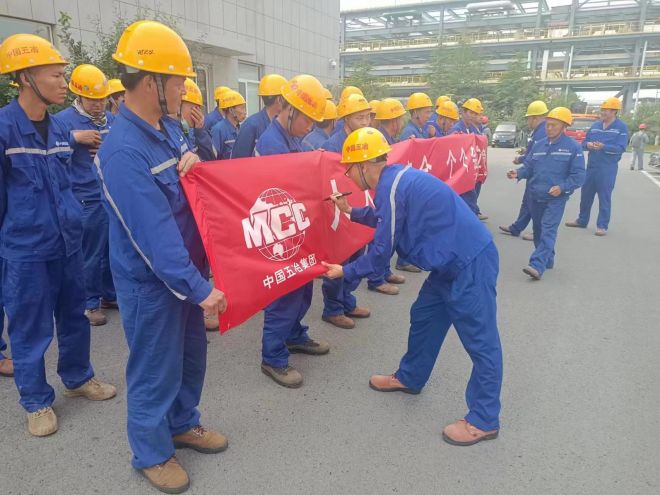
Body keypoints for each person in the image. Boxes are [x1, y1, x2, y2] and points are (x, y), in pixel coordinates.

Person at [96, 21, 228, 494]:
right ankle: (151, 452)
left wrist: (197, 168)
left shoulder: (170, 129)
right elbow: (152, 235)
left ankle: (182, 423)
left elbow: (192, 192)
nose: (183, 90)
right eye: (177, 82)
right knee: (155, 368)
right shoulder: (122, 151)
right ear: (151, 82)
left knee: (190, 357)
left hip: (185, 272)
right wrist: (199, 289)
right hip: (152, 283)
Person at [323, 127, 503, 447]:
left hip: (469, 262)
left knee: (481, 341)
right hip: (449, 262)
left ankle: (484, 419)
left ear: (364, 165)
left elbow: (381, 252)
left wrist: (345, 271)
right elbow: (385, 218)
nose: (347, 175)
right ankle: (410, 377)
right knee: (424, 317)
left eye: (349, 168)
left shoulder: (391, 186)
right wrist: (351, 211)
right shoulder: (394, 182)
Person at [0, 33, 116, 438]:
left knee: (74, 316)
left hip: (68, 242)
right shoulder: (5, 129)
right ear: (26, 77)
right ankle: (35, 401)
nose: (64, 84)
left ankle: (78, 377)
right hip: (26, 250)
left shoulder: (60, 129)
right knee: (29, 328)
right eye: (56, 75)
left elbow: (69, 182)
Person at [255, 74, 330, 388]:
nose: (310, 127)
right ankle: (273, 357)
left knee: (302, 288)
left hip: (295, 225)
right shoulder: (272, 143)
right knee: (284, 295)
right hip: (280, 231)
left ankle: (294, 334)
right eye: (307, 119)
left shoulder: (292, 138)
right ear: (288, 111)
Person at [56, 64, 117, 327]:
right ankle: (89, 303)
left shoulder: (110, 120)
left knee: (110, 248)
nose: (98, 104)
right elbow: (51, 154)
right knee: (90, 252)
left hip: (108, 194)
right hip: (84, 196)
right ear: (78, 96)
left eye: (102, 99)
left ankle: (109, 295)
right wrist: (74, 138)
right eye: (92, 100)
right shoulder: (63, 122)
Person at [507, 107, 586, 280]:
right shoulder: (539, 145)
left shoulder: (573, 147)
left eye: (553, 125)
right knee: (538, 230)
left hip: (556, 198)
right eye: (547, 125)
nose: (549, 128)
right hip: (535, 195)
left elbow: (579, 176)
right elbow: (529, 166)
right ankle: (548, 259)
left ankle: (536, 264)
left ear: (564, 126)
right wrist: (518, 173)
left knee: (548, 229)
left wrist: (562, 187)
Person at [320, 93, 375, 328]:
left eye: (367, 117)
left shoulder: (367, 139)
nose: (365, 122)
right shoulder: (332, 145)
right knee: (339, 257)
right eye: (359, 118)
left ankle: (347, 300)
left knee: (357, 254)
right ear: (346, 119)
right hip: (338, 209)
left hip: (357, 207)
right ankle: (332, 308)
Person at [565, 97, 628, 236]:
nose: (603, 112)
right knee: (586, 195)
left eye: (606, 110)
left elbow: (621, 148)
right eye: (602, 110)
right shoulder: (595, 126)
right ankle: (582, 220)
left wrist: (604, 147)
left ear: (614, 111)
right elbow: (583, 143)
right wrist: (587, 145)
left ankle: (602, 226)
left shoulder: (621, 127)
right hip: (592, 167)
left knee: (604, 197)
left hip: (607, 169)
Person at [499, 100, 549, 241]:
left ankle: (539, 232)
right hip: (535, 171)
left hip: (539, 173)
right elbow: (533, 152)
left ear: (535, 118)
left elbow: (535, 156)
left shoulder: (542, 132)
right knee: (528, 202)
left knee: (537, 202)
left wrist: (520, 160)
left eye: (528, 118)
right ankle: (517, 228)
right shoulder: (539, 131)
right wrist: (524, 154)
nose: (528, 122)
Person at [231, 74, 286, 158]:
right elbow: (238, 160)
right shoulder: (251, 125)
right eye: (286, 98)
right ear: (279, 99)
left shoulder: (283, 125)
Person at [449, 98, 486, 219]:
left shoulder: (473, 128)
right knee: (465, 200)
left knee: (473, 196)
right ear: (463, 112)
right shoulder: (456, 129)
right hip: (462, 171)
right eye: (471, 113)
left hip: (471, 169)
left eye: (476, 113)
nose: (473, 116)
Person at [211, 89, 246, 159]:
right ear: (231, 110)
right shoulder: (218, 130)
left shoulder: (241, 129)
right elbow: (212, 157)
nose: (245, 112)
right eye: (242, 108)